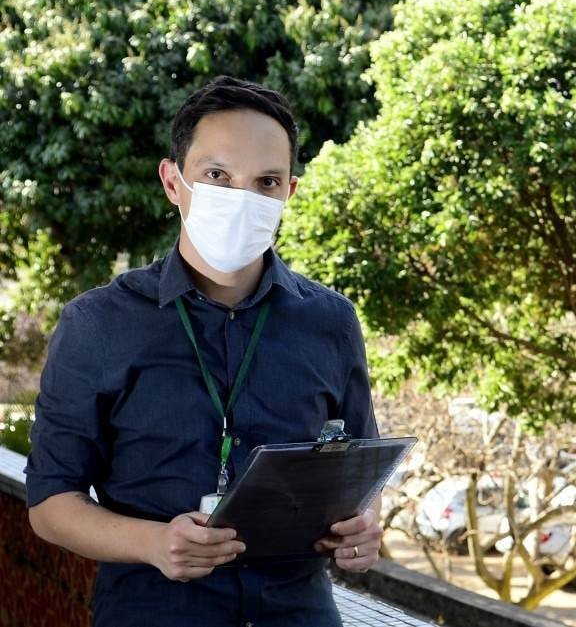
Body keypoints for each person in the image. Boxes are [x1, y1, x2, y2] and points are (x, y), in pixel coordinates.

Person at [25, 76, 382, 626]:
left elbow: (360, 471)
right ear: (174, 182)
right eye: (217, 176)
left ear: (289, 191)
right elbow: (51, 505)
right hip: (154, 610)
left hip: (298, 610)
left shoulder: (331, 322)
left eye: (265, 181)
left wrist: (363, 526)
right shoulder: (97, 323)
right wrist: (152, 542)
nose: (242, 198)